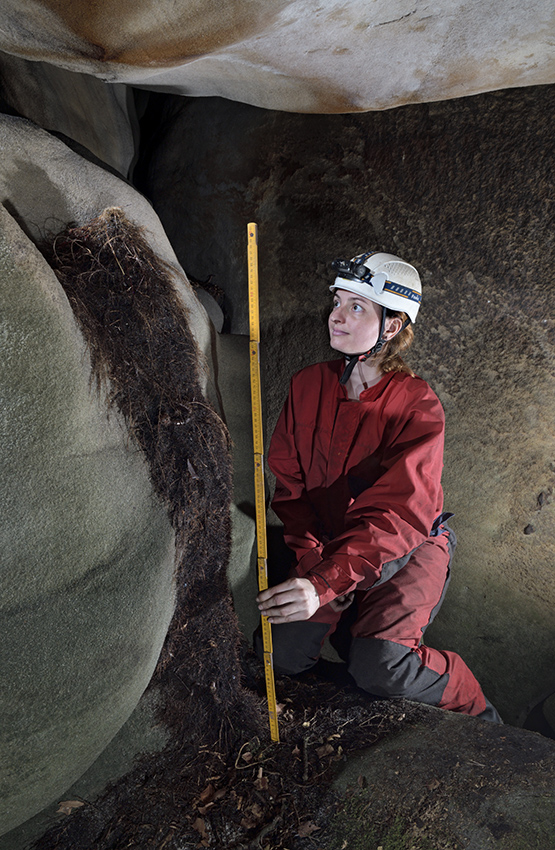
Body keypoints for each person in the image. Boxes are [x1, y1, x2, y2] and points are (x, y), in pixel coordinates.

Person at [256, 251, 501, 722]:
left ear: (391, 326)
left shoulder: (417, 406)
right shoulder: (307, 385)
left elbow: (400, 515)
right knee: (279, 656)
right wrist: (314, 566)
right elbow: (291, 490)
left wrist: (326, 583)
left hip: (408, 546)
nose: (337, 315)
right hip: (331, 547)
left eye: (357, 307)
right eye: (338, 301)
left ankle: (477, 710)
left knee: (382, 667)